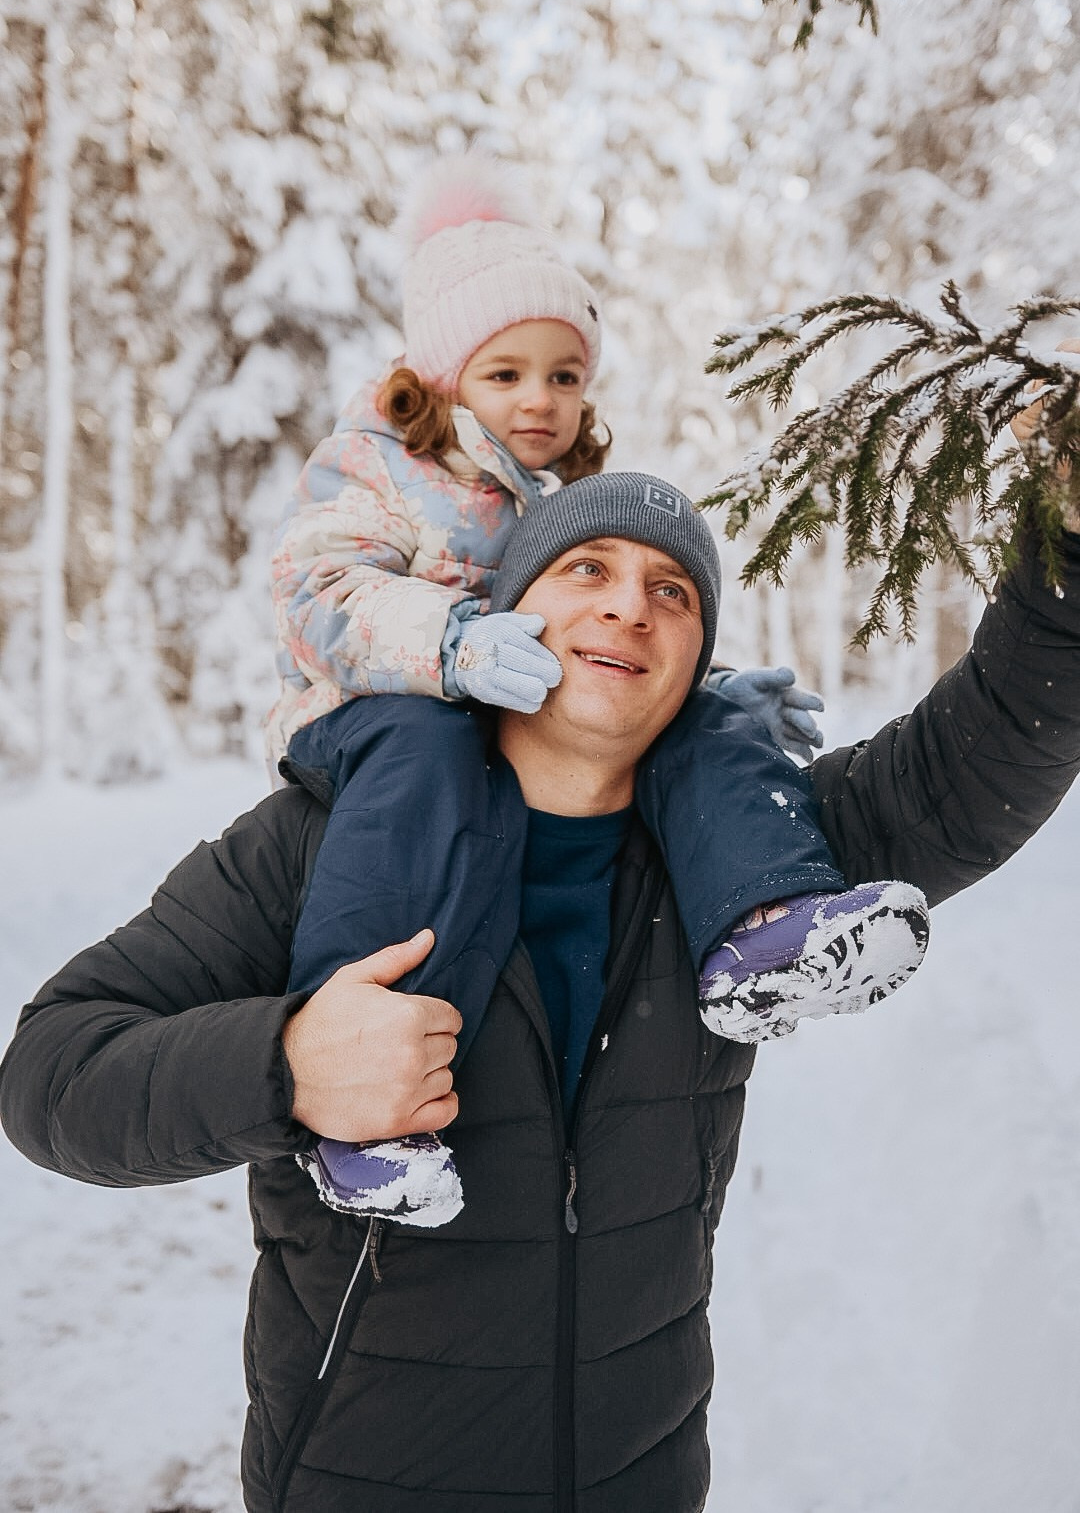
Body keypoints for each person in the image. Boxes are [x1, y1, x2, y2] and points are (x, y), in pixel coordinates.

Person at [3, 458, 1079, 1513]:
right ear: (508, 616)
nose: (630, 608)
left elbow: (979, 759)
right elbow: (55, 1070)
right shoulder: (328, 843)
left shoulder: (750, 863)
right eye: (588, 570)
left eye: (673, 592)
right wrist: (286, 1066)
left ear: (698, 661)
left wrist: (1066, 544)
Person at [266, 154, 927, 1225]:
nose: (541, 399)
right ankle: (363, 1098)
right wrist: (452, 643)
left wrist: (707, 692)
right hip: (369, 712)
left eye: (565, 376)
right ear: (441, 376)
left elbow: (598, 631)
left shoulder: (553, 493)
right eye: (506, 372)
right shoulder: (381, 464)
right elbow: (314, 593)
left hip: (497, 714)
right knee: (426, 756)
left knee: (687, 726)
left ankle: (761, 926)